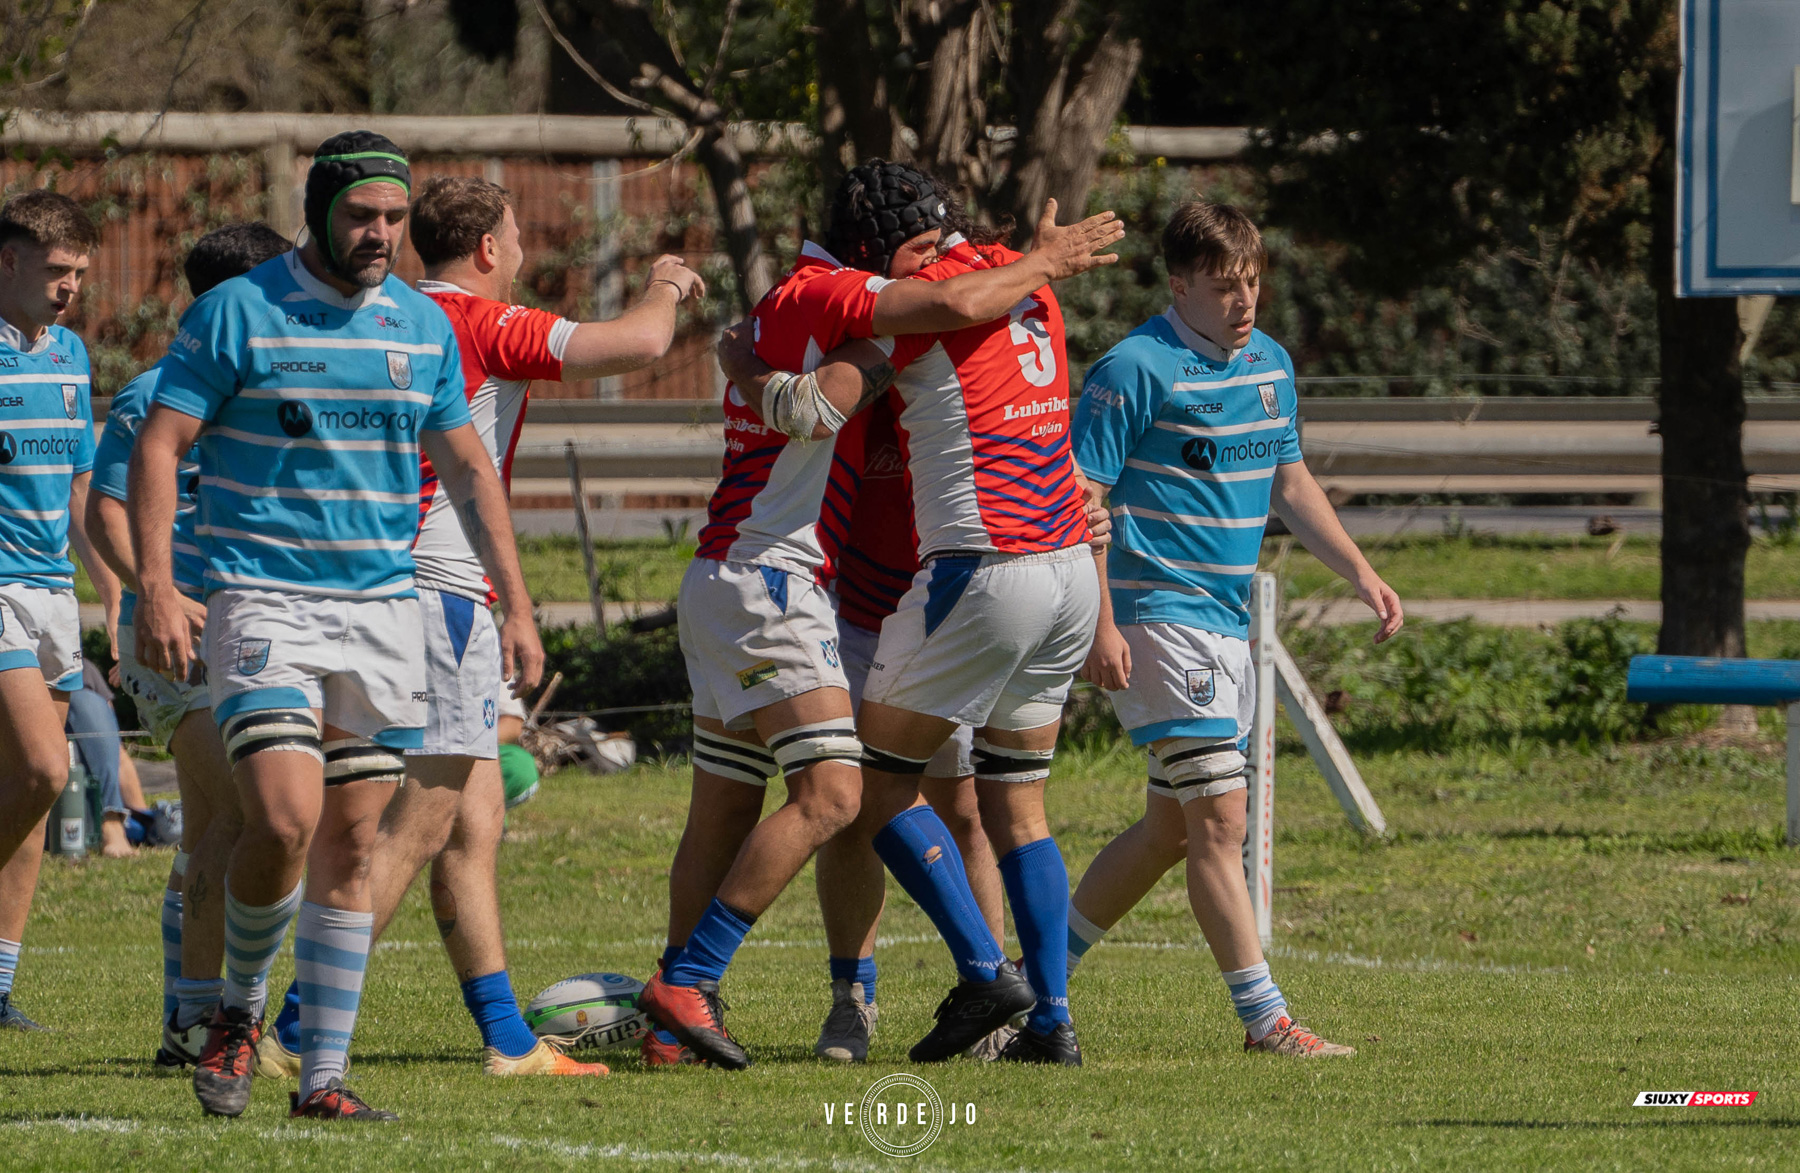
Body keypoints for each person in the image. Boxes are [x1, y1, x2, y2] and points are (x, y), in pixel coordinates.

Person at [638, 160, 1124, 1071]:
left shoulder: (944, 291)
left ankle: (991, 988)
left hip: (953, 573)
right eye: (919, 246)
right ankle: (995, 1007)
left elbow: (817, 397)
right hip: (1012, 573)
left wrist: (736, 352)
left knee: (869, 791)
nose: (931, 260)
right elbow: (821, 397)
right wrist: (1041, 261)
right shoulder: (992, 292)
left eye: (939, 244)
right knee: (938, 798)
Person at [129, 131, 542, 1122]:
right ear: (320, 210)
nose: (381, 235)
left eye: (395, 220)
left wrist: (516, 602)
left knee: (354, 846)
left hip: (381, 609)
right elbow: (160, 441)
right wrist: (153, 582)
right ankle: (237, 1014)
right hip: (263, 599)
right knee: (280, 816)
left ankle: (323, 1081)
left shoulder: (419, 326)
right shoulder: (238, 312)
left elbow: (469, 471)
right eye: (362, 216)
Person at [253, 174, 704, 1079]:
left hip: (398, 583)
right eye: (518, 241)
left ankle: (506, 1040)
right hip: (442, 591)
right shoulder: (477, 321)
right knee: (412, 828)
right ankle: (294, 1027)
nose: (525, 257)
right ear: (490, 249)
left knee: (472, 824)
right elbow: (642, 342)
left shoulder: (392, 315)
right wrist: (670, 281)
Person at [1068, 200, 1403, 1057]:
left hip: (1225, 627)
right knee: (1221, 822)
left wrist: (1360, 571)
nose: (1243, 300)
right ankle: (1268, 1021)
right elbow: (1080, 504)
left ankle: (1032, 978)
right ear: (1179, 284)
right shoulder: (1134, 367)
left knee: (1168, 834)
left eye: (1251, 281)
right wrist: (1101, 623)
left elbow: (1290, 480)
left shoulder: (1271, 364)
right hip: (1158, 618)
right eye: (1223, 286)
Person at [87, 220, 293, 1069]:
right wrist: (158, 597)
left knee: (212, 824)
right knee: (249, 815)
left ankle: (189, 1013)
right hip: (172, 640)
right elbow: (103, 512)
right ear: (230, 299)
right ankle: (207, 1018)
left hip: (252, 634)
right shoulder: (154, 394)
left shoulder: (265, 384)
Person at [0, 190, 120, 1032]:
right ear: (7, 261)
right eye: (55, 269)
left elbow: (80, 485)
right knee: (46, 769)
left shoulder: (71, 353)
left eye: (79, 271)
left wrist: (111, 582)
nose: (70, 284)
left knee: (29, 794)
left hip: (52, 592)